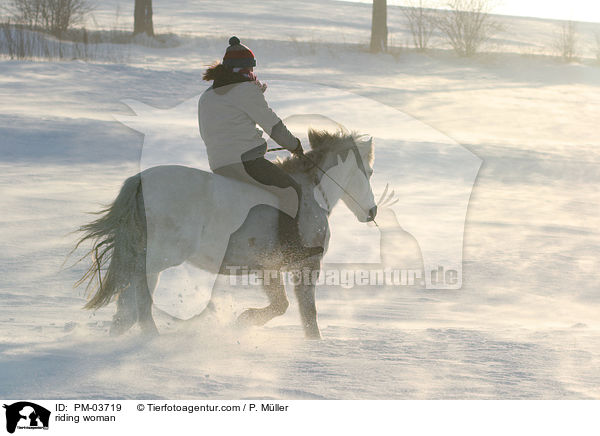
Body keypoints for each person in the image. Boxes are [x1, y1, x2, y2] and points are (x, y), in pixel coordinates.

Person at [198, 36, 323, 263]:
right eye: (250, 68)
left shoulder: (208, 95)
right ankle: (291, 250)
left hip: (218, 163)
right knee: (291, 191)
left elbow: (228, 121)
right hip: (245, 162)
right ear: (246, 68)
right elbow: (273, 125)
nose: (251, 72)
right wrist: (294, 145)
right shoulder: (245, 90)